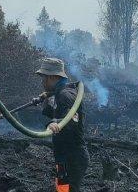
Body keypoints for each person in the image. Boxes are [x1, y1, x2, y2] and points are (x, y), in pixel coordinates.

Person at [36, 57, 89, 192]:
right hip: (64, 155)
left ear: (53, 77)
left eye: (44, 78)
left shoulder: (66, 95)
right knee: (62, 190)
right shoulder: (58, 93)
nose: (42, 82)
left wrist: (54, 124)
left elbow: (71, 121)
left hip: (73, 157)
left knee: (68, 190)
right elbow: (51, 112)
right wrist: (46, 98)